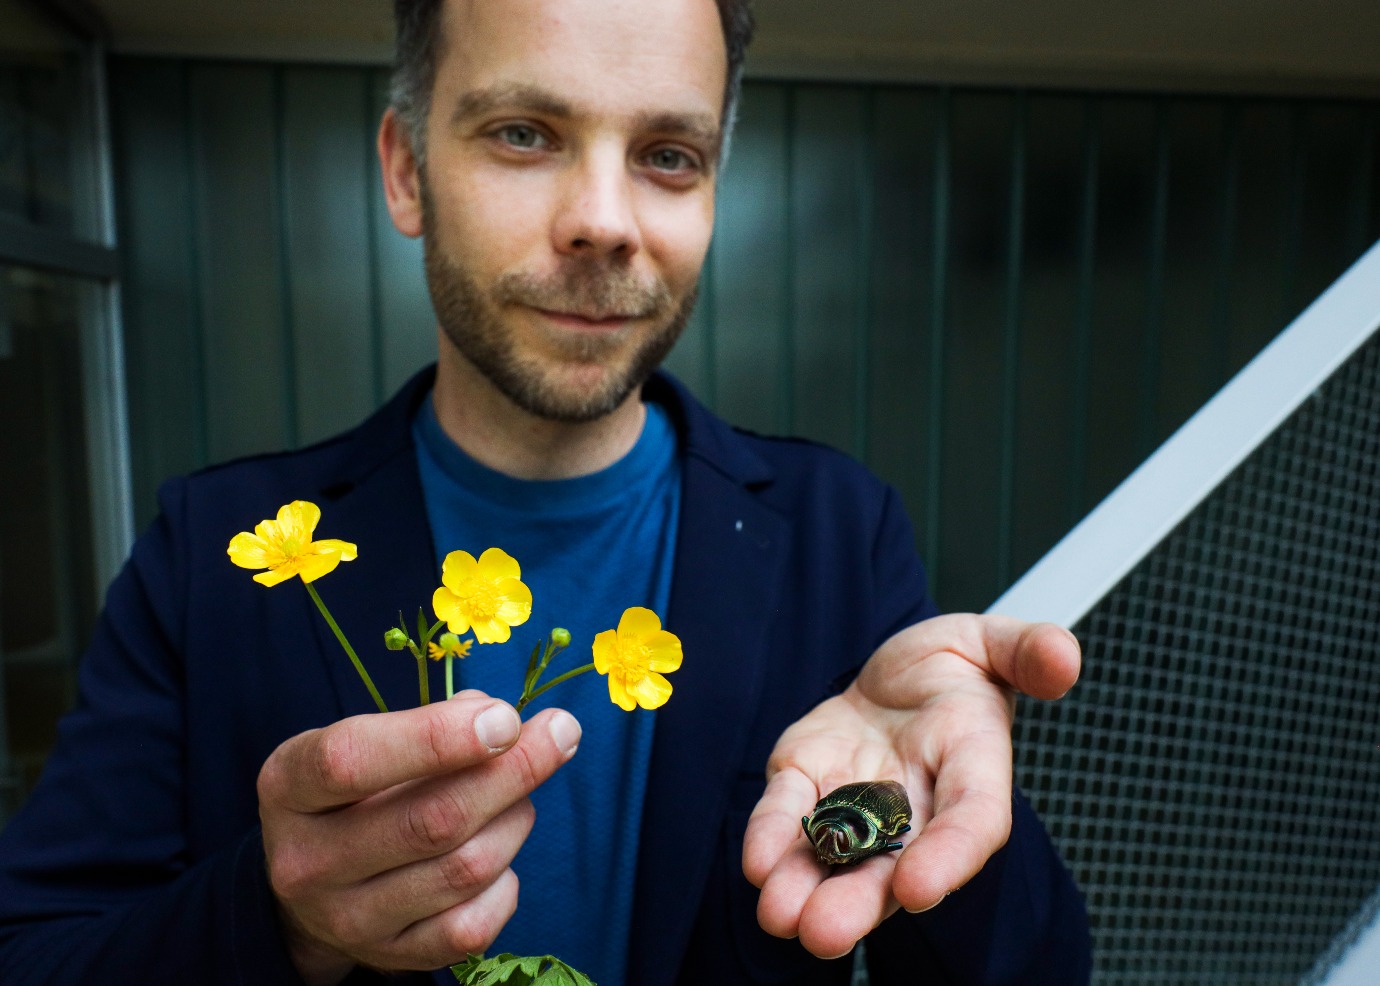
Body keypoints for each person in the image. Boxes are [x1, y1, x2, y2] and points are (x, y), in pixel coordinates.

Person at [0, 0, 1091, 983]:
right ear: (406, 171)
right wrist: (282, 921)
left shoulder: (838, 532)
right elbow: (34, 949)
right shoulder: (214, 550)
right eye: (524, 133)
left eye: (669, 155)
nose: (603, 220)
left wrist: (954, 820)